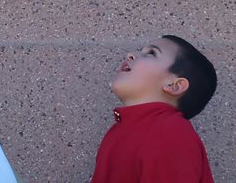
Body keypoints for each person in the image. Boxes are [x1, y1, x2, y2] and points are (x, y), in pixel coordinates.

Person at [90, 35, 217, 182]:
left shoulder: (171, 133)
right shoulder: (117, 131)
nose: (130, 54)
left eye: (151, 53)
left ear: (174, 86)